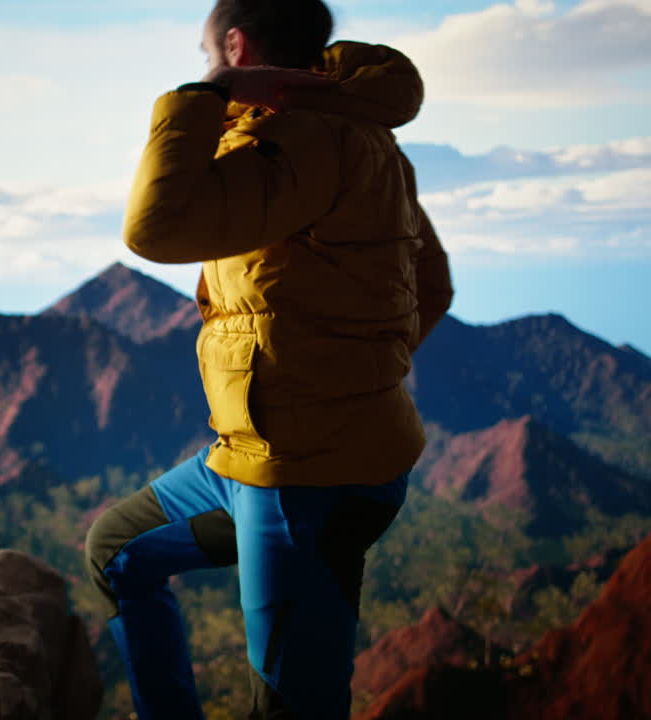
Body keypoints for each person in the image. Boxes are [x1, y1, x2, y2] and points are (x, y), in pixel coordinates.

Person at [83, 0, 454, 718]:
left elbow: (155, 227)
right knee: (116, 549)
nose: (205, 71)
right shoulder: (364, 138)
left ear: (234, 44)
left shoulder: (303, 139)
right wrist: (356, 373)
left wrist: (201, 98)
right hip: (262, 460)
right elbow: (430, 284)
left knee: (290, 708)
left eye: (207, 59)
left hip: (304, 479)